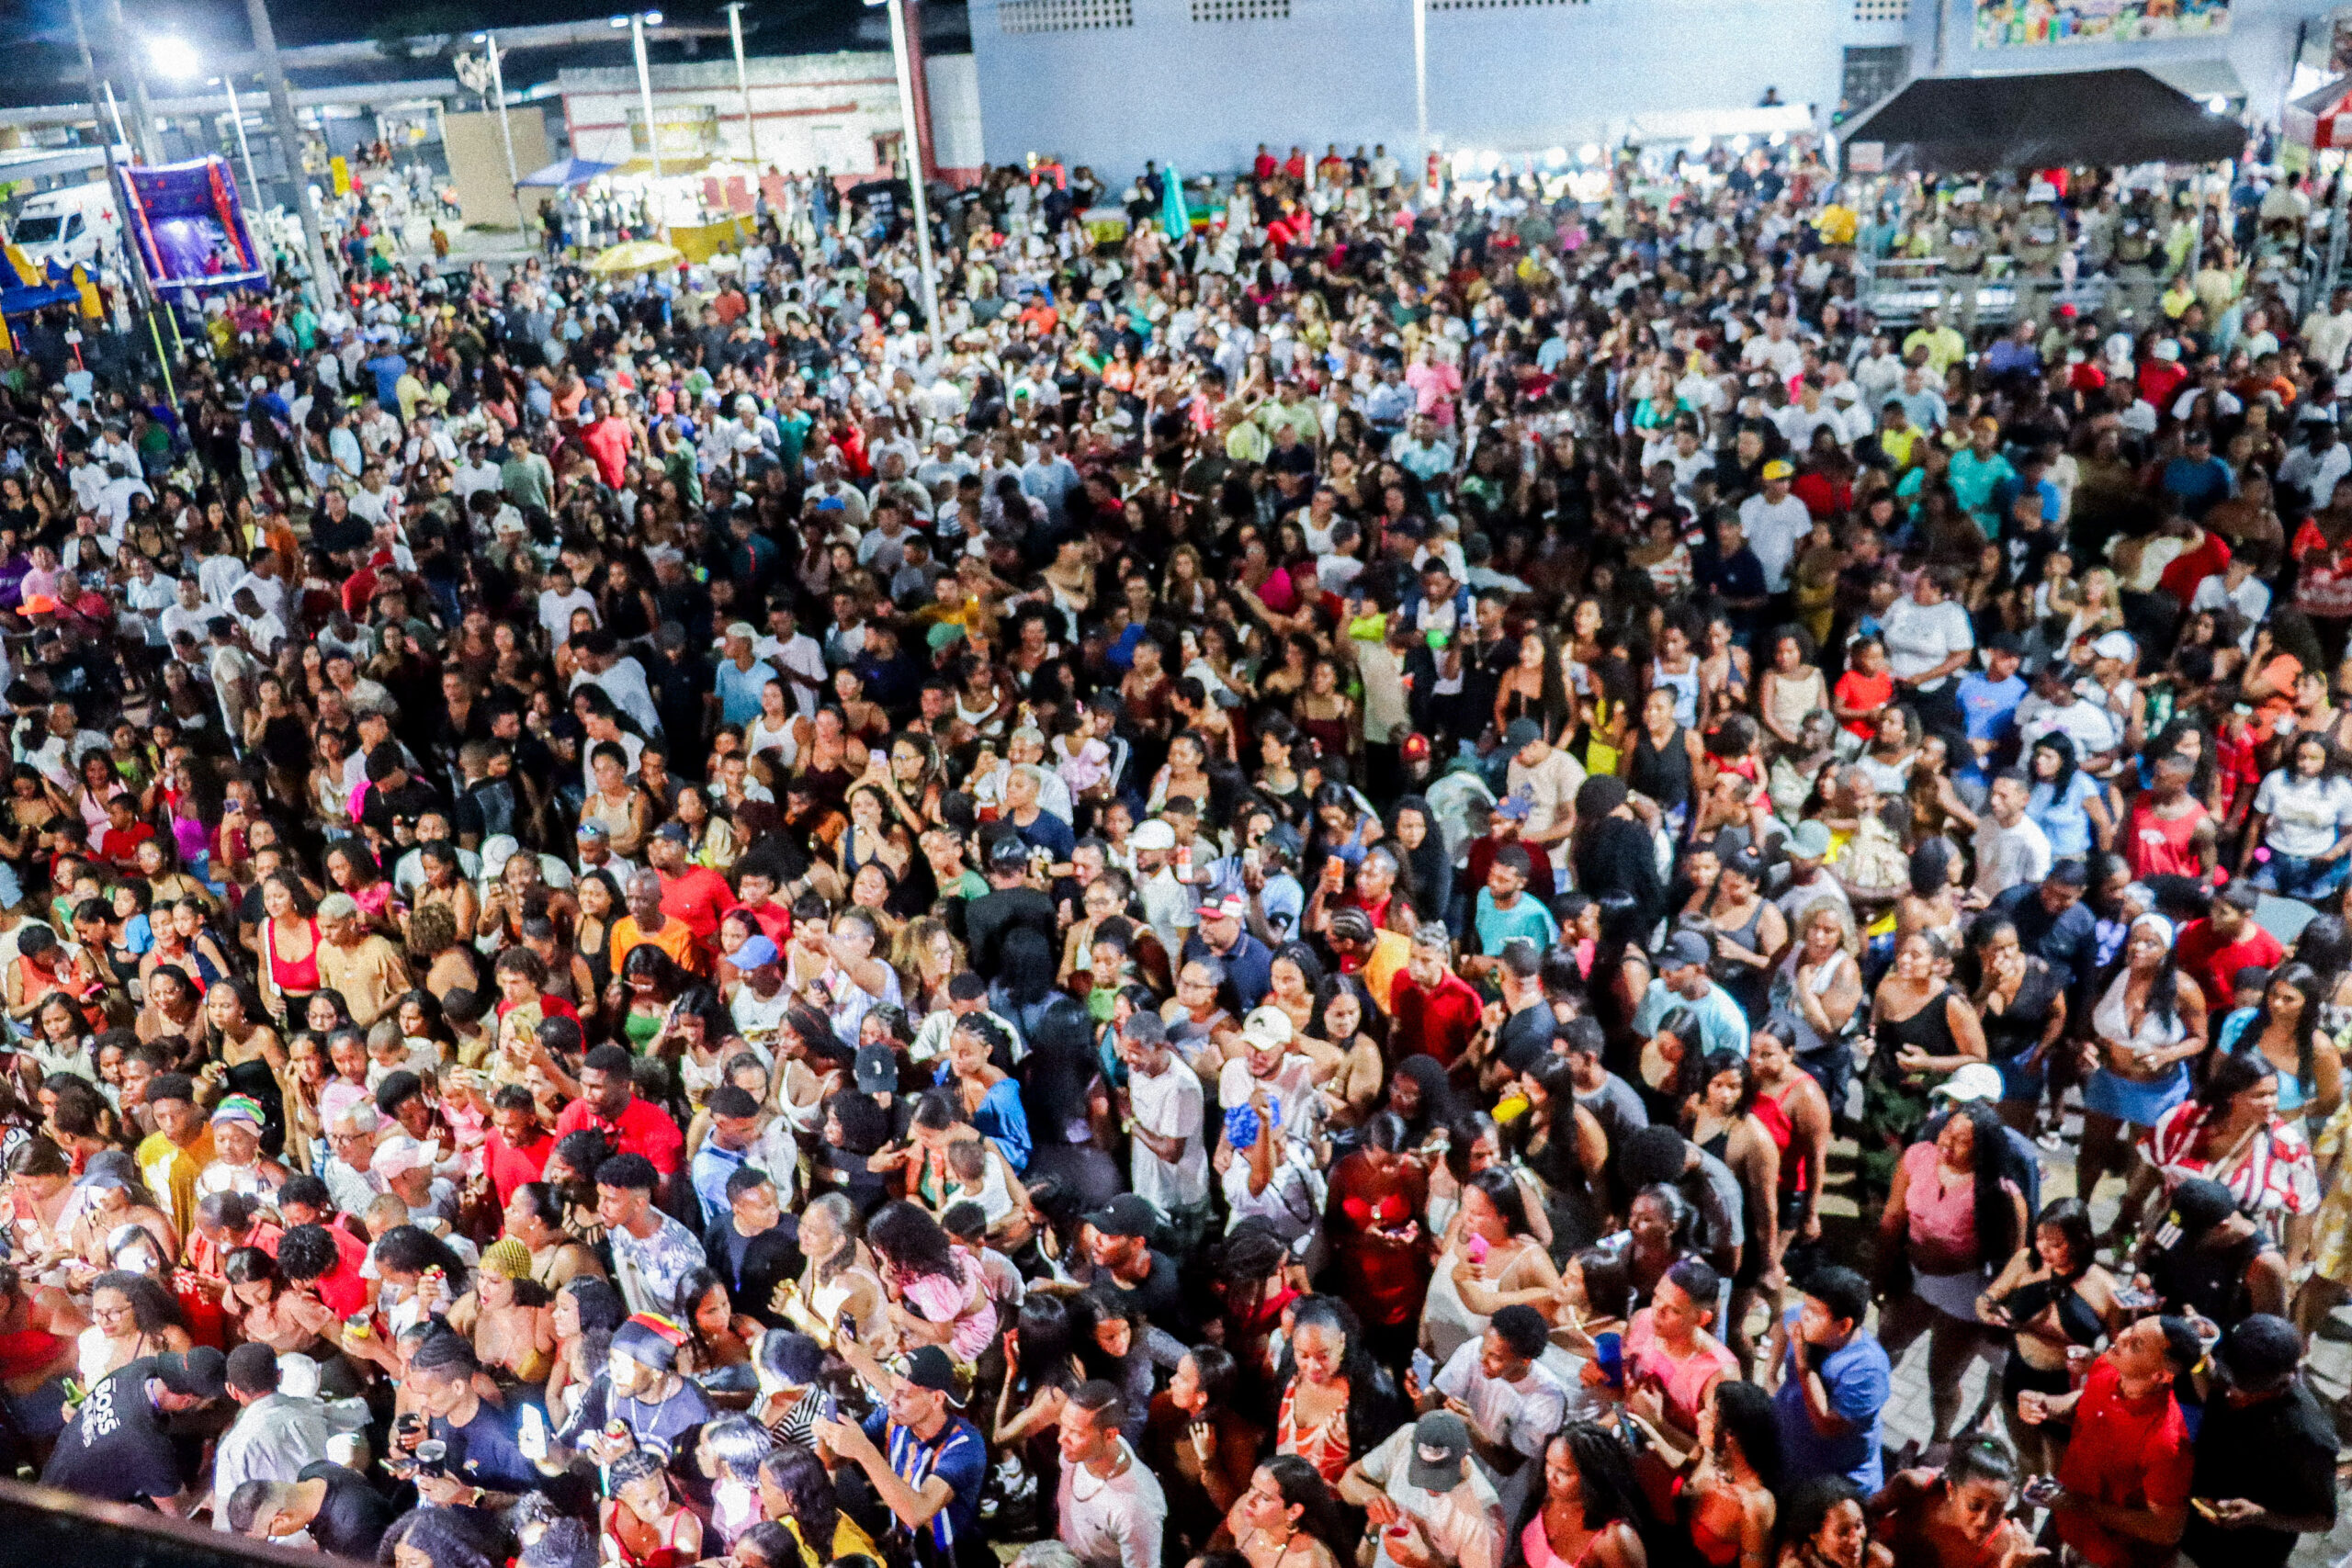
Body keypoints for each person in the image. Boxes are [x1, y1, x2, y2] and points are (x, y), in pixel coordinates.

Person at [816, 1345, 989, 1568]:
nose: (891, 1400)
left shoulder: (965, 1445)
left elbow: (916, 1513)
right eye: (893, 1389)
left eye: (904, 1394)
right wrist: (826, 1432)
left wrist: (865, 1452)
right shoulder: (893, 1420)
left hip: (950, 1559)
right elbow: (832, 1460)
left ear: (937, 1399)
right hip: (906, 1552)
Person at [41, 1347, 228, 1511]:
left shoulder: (142, 1368)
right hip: (73, 1511)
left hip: (54, 1475)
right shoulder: (147, 1443)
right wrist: (209, 1473)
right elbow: (178, 1512)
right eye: (207, 1403)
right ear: (186, 1400)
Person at [1764, 1266, 1890, 1491]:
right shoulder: (1801, 1319)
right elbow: (1784, 1322)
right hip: (1788, 1456)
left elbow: (1826, 1426)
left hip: (1835, 1480)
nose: (1804, 1315)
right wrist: (1770, 1376)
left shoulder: (1867, 1369)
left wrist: (1804, 1365)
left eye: (1815, 1311)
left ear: (1844, 1325)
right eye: (1805, 1305)